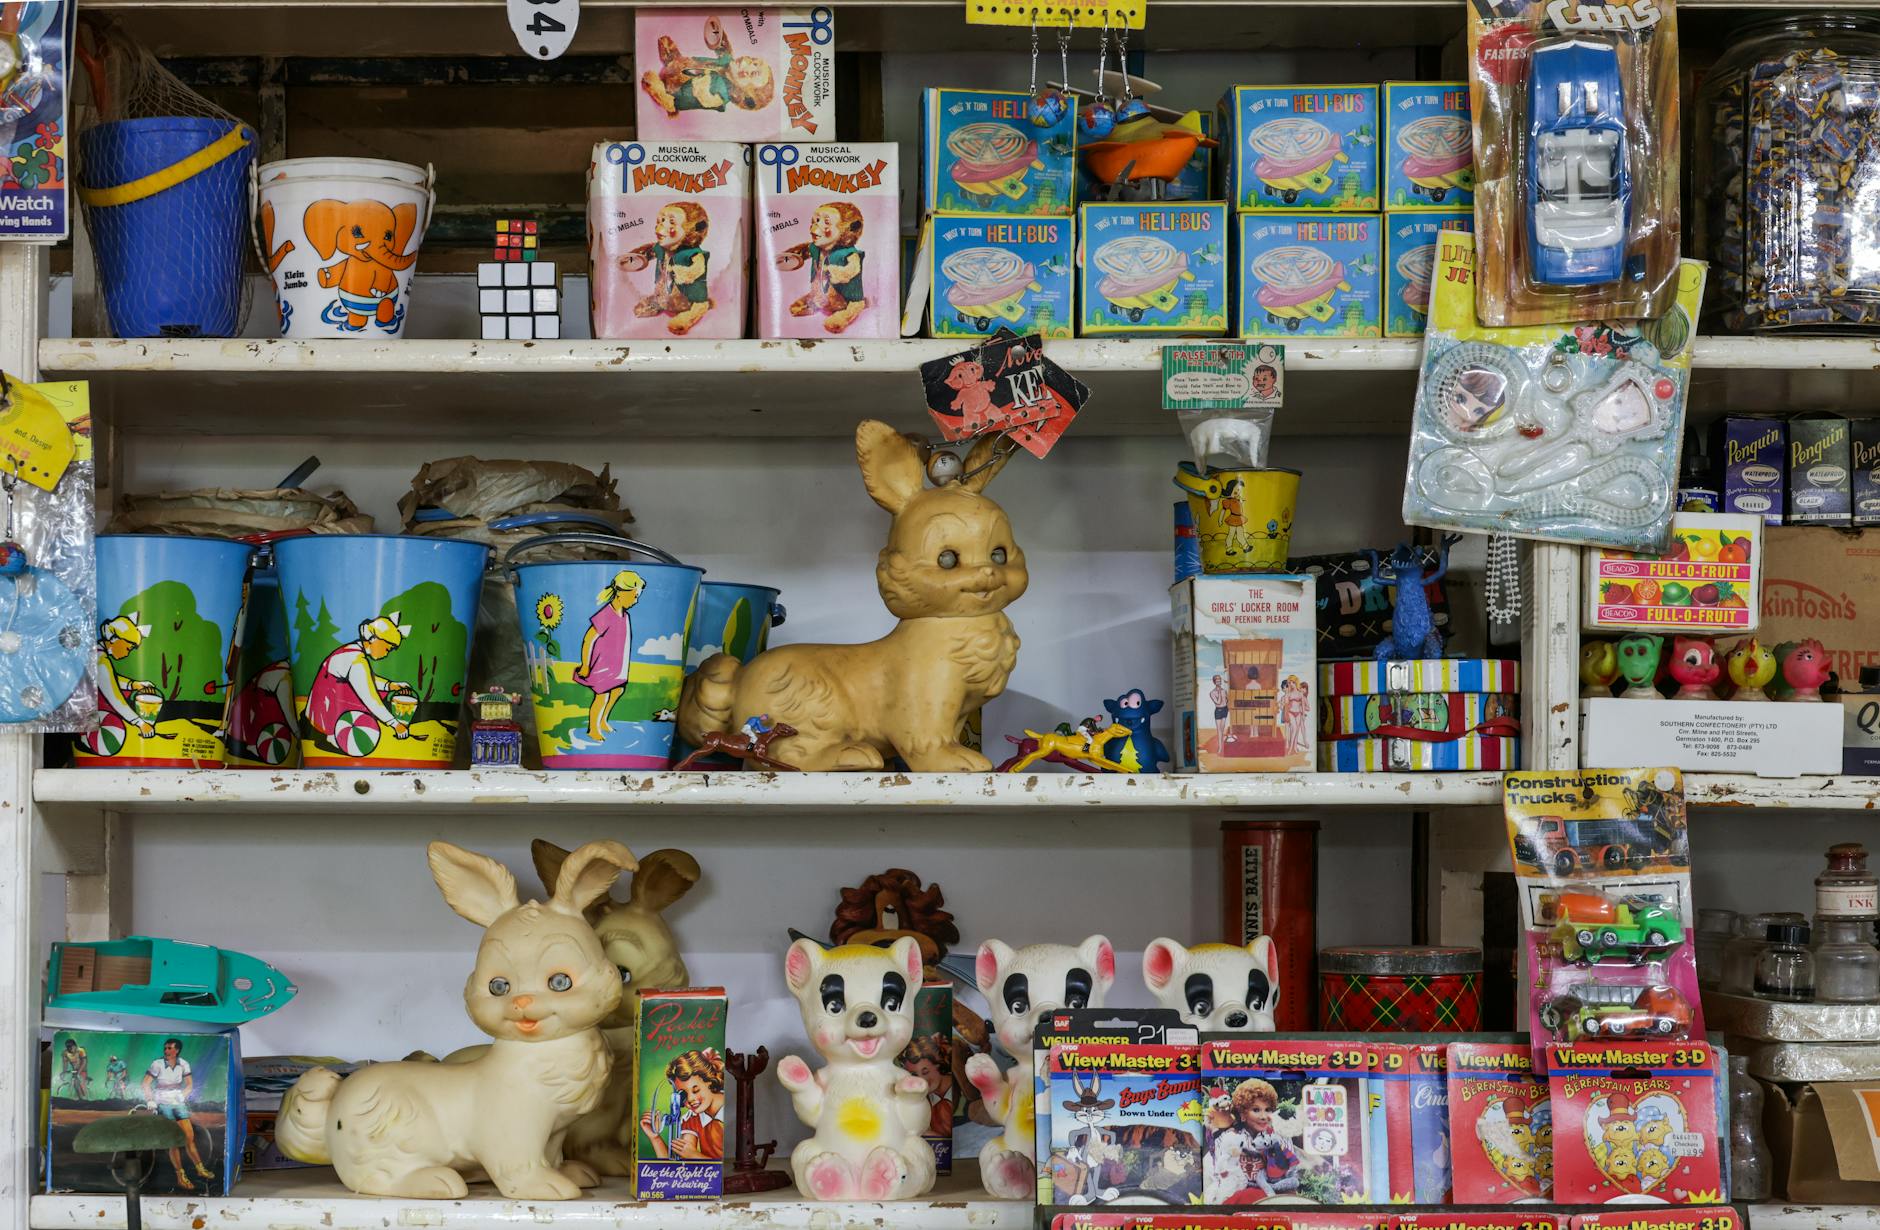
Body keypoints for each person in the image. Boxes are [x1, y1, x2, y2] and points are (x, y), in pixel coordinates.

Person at [306, 615, 413, 754]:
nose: (386, 654)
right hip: (327, 710)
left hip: (323, 704)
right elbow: (369, 696)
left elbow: (365, 680)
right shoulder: (356, 660)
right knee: (373, 698)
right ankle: (333, 737)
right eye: (387, 649)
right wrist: (395, 724)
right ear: (374, 639)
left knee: (377, 693)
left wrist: (389, 685)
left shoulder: (353, 651)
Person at [574, 570, 644, 742]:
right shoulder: (607, 614)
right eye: (635, 596)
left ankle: (603, 720)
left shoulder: (625, 616)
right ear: (622, 593)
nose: (636, 601)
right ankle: (593, 729)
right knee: (602, 695)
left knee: (618, 690)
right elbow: (589, 639)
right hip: (602, 666)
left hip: (617, 666)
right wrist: (585, 665)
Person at [144, 1038, 215, 1190]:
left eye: (169, 1048)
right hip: (162, 1103)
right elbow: (145, 1084)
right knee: (174, 1141)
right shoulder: (157, 1064)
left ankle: (200, 1168)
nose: (166, 1051)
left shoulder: (183, 1064)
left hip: (177, 1102)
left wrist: (182, 1096)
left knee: (189, 1137)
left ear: (177, 1050)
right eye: (165, 1048)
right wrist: (150, 1100)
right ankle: (180, 1176)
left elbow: (190, 1085)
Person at [639, 1048, 725, 1160]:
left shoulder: (730, 1107)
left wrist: (695, 1155)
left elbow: (693, 1156)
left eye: (695, 1090)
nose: (690, 1099)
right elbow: (677, 1164)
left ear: (710, 1081)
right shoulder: (691, 1119)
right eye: (683, 1094)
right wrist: (655, 1138)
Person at [94, 613, 157, 739]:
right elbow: (114, 696)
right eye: (128, 648)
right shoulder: (101, 659)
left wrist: (132, 684)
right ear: (114, 639)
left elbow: (108, 679)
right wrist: (140, 723)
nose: (127, 654)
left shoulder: (99, 653)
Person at [898, 1033, 956, 1136]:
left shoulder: (959, 1085)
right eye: (914, 1075)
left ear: (939, 1064)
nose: (922, 1080)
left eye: (925, 1072)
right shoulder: (919, 1104)